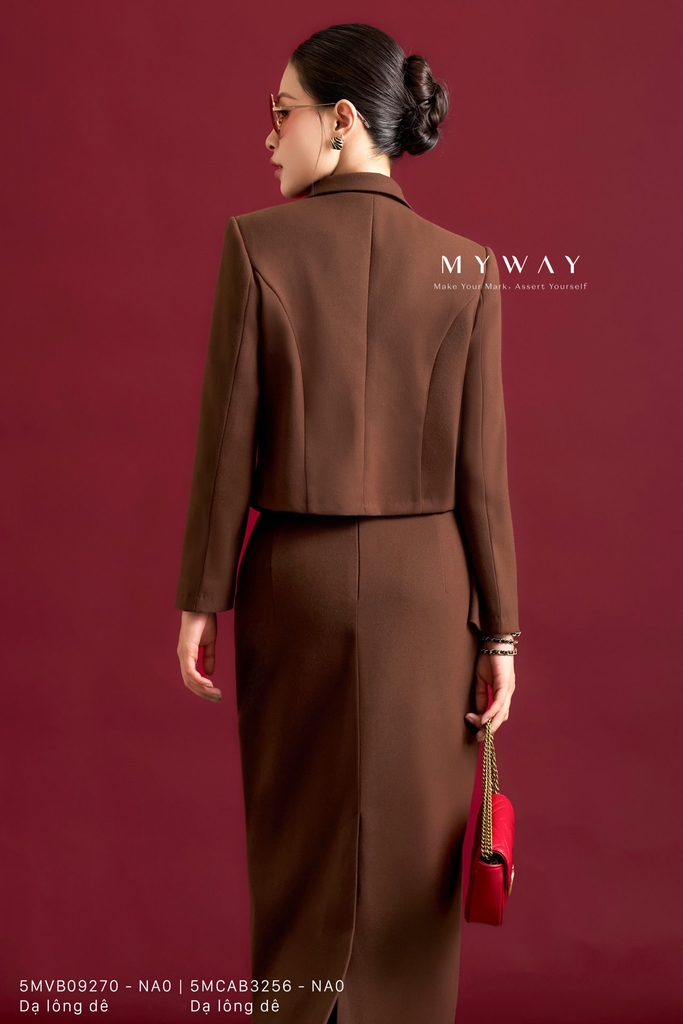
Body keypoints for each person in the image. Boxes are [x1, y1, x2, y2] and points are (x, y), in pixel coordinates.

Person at [175, 22, 520, 1024]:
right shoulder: (468, 267)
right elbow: (482, 476)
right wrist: (499, 632)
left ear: (339, 122)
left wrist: (201, 597)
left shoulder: (255, 245)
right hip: (430, 596)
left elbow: (226, 443)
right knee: (414, 866)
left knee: (297, 850)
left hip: (293, 583)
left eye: (279, 113)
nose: (268, 136)